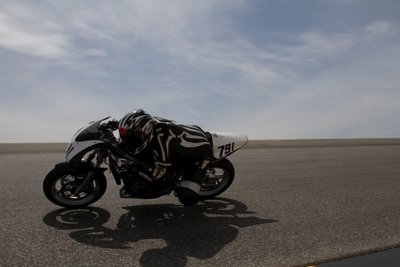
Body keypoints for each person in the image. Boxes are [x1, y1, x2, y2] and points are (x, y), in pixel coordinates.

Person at [117, 109, 212, 206]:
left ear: (146, 130)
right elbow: (131, 127)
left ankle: (191, 194)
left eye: (134, 137)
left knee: (185, 198)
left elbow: (158, 175)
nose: (130, 141)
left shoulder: (162, 145)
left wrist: (136, 172)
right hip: (188, 135)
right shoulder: (152, 123)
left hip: (202, 153)